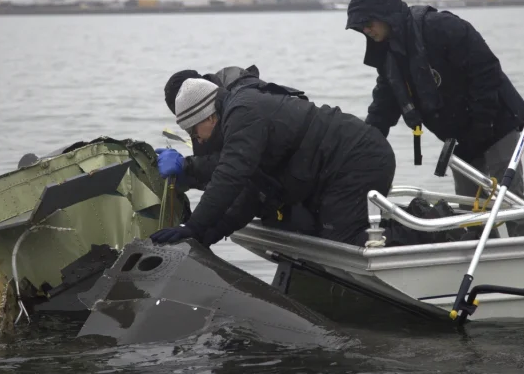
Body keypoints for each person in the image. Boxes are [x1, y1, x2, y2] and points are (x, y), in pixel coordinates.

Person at [345, 0, 524, 237]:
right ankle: (485, 258)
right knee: (470, 210)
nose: (366, 30)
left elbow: (486, 72)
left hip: (497, 123)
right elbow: (383, 105)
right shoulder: (388, 55)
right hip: (459, 136)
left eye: (369, 22)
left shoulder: (441, 27)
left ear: (385, 15)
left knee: (510, 199)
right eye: (360, 27)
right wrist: (365, 144)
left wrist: (481, 125)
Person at [150, 77, 396, 247]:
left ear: (208, 116)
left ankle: (425, 233)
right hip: (338, 168)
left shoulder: (243, 113)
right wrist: (204, 236)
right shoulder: (237, 120)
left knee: (343, 242)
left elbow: (230, 177)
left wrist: (193, 226)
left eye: (194, 132)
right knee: (320, 234)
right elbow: (249, 195)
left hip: (359, 159)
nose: (197, 140)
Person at [158, 66, 317, 244]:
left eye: (193, 130)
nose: (198, 140)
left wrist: (189, 169)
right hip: (291, 183)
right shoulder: (213, 115)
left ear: (201, 112)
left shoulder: (241, 107)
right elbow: (241, 182)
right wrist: (208, 232)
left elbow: (232, 172)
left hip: (322, 172)